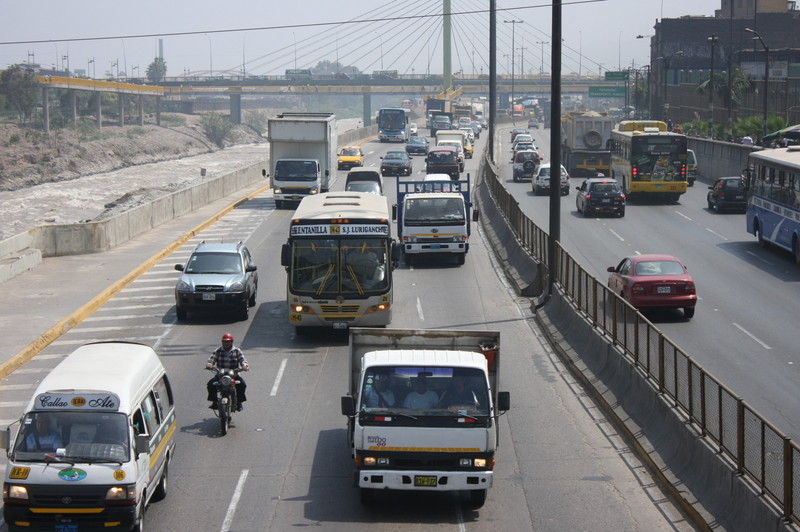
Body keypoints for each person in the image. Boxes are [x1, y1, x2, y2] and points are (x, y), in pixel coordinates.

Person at [206, 333, 249, 411]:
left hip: (234, 374)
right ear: (222, 342)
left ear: (231, 342)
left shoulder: (237, 351)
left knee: (242, 385)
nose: (226, 343)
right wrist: (209, 365)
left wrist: (244, 366)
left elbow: (243, 360)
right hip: (221, 374)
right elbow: (211, 359)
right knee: (210, 384)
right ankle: (214, 402)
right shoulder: (218, 351)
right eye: (224, 341)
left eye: (228, 341)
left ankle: (239, 403)